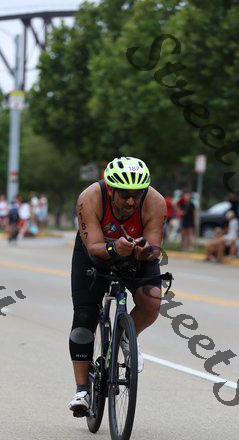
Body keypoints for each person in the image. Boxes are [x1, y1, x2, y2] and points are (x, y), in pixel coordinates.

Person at [68, 156, 166, 417]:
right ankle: (82, 391)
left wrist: (144, 252)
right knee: (84, 317)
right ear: (111, 189)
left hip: (134, 254)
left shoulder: (155, 202)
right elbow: (94, 246)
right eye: (125, 195)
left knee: (152, 300)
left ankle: (125, 336)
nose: (131, 202)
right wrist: (114, 248)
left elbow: (155, 247)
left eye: (137, 194)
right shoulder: (90, 197)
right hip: (96, 253)